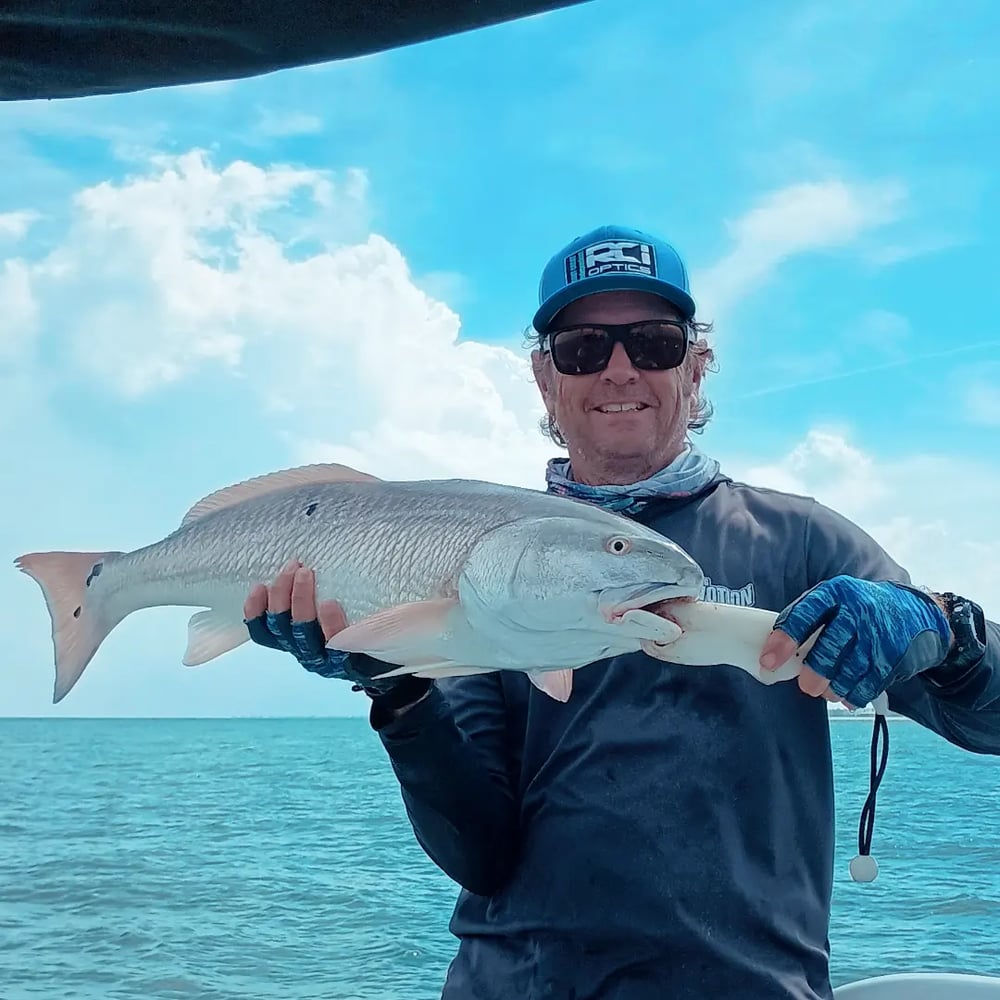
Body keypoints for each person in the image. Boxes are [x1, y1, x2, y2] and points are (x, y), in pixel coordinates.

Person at [243, 224, 1000, 1000]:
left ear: (696, 366)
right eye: (582, 349)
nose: (618, 370)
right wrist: (400, 691)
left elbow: (990, 723)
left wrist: (949, 630)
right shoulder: (487, 562)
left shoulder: (799, 541)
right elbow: (481, 854)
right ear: (545, 378)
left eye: (653, 343)